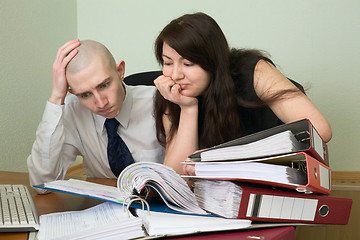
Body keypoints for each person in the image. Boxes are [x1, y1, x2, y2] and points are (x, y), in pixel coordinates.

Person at [153, 12, 332, 176]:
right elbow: (177, 179)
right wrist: (188, 108)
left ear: (212, 61)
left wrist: (222, 158)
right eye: (168, 63)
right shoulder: (171, 91)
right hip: (222, 196)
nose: (175, 75)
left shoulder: (252, 70)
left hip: (281, 179)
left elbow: (320, 131)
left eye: (188, 64)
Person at [27, 39, 164, 193]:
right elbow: (42, 184)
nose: (100, 103)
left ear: (120, 71)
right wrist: (57, 97)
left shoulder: (160, 103)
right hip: (102, 210)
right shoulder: (73, 110)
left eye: (104, 85)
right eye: (85, 94)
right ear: (73, 92)